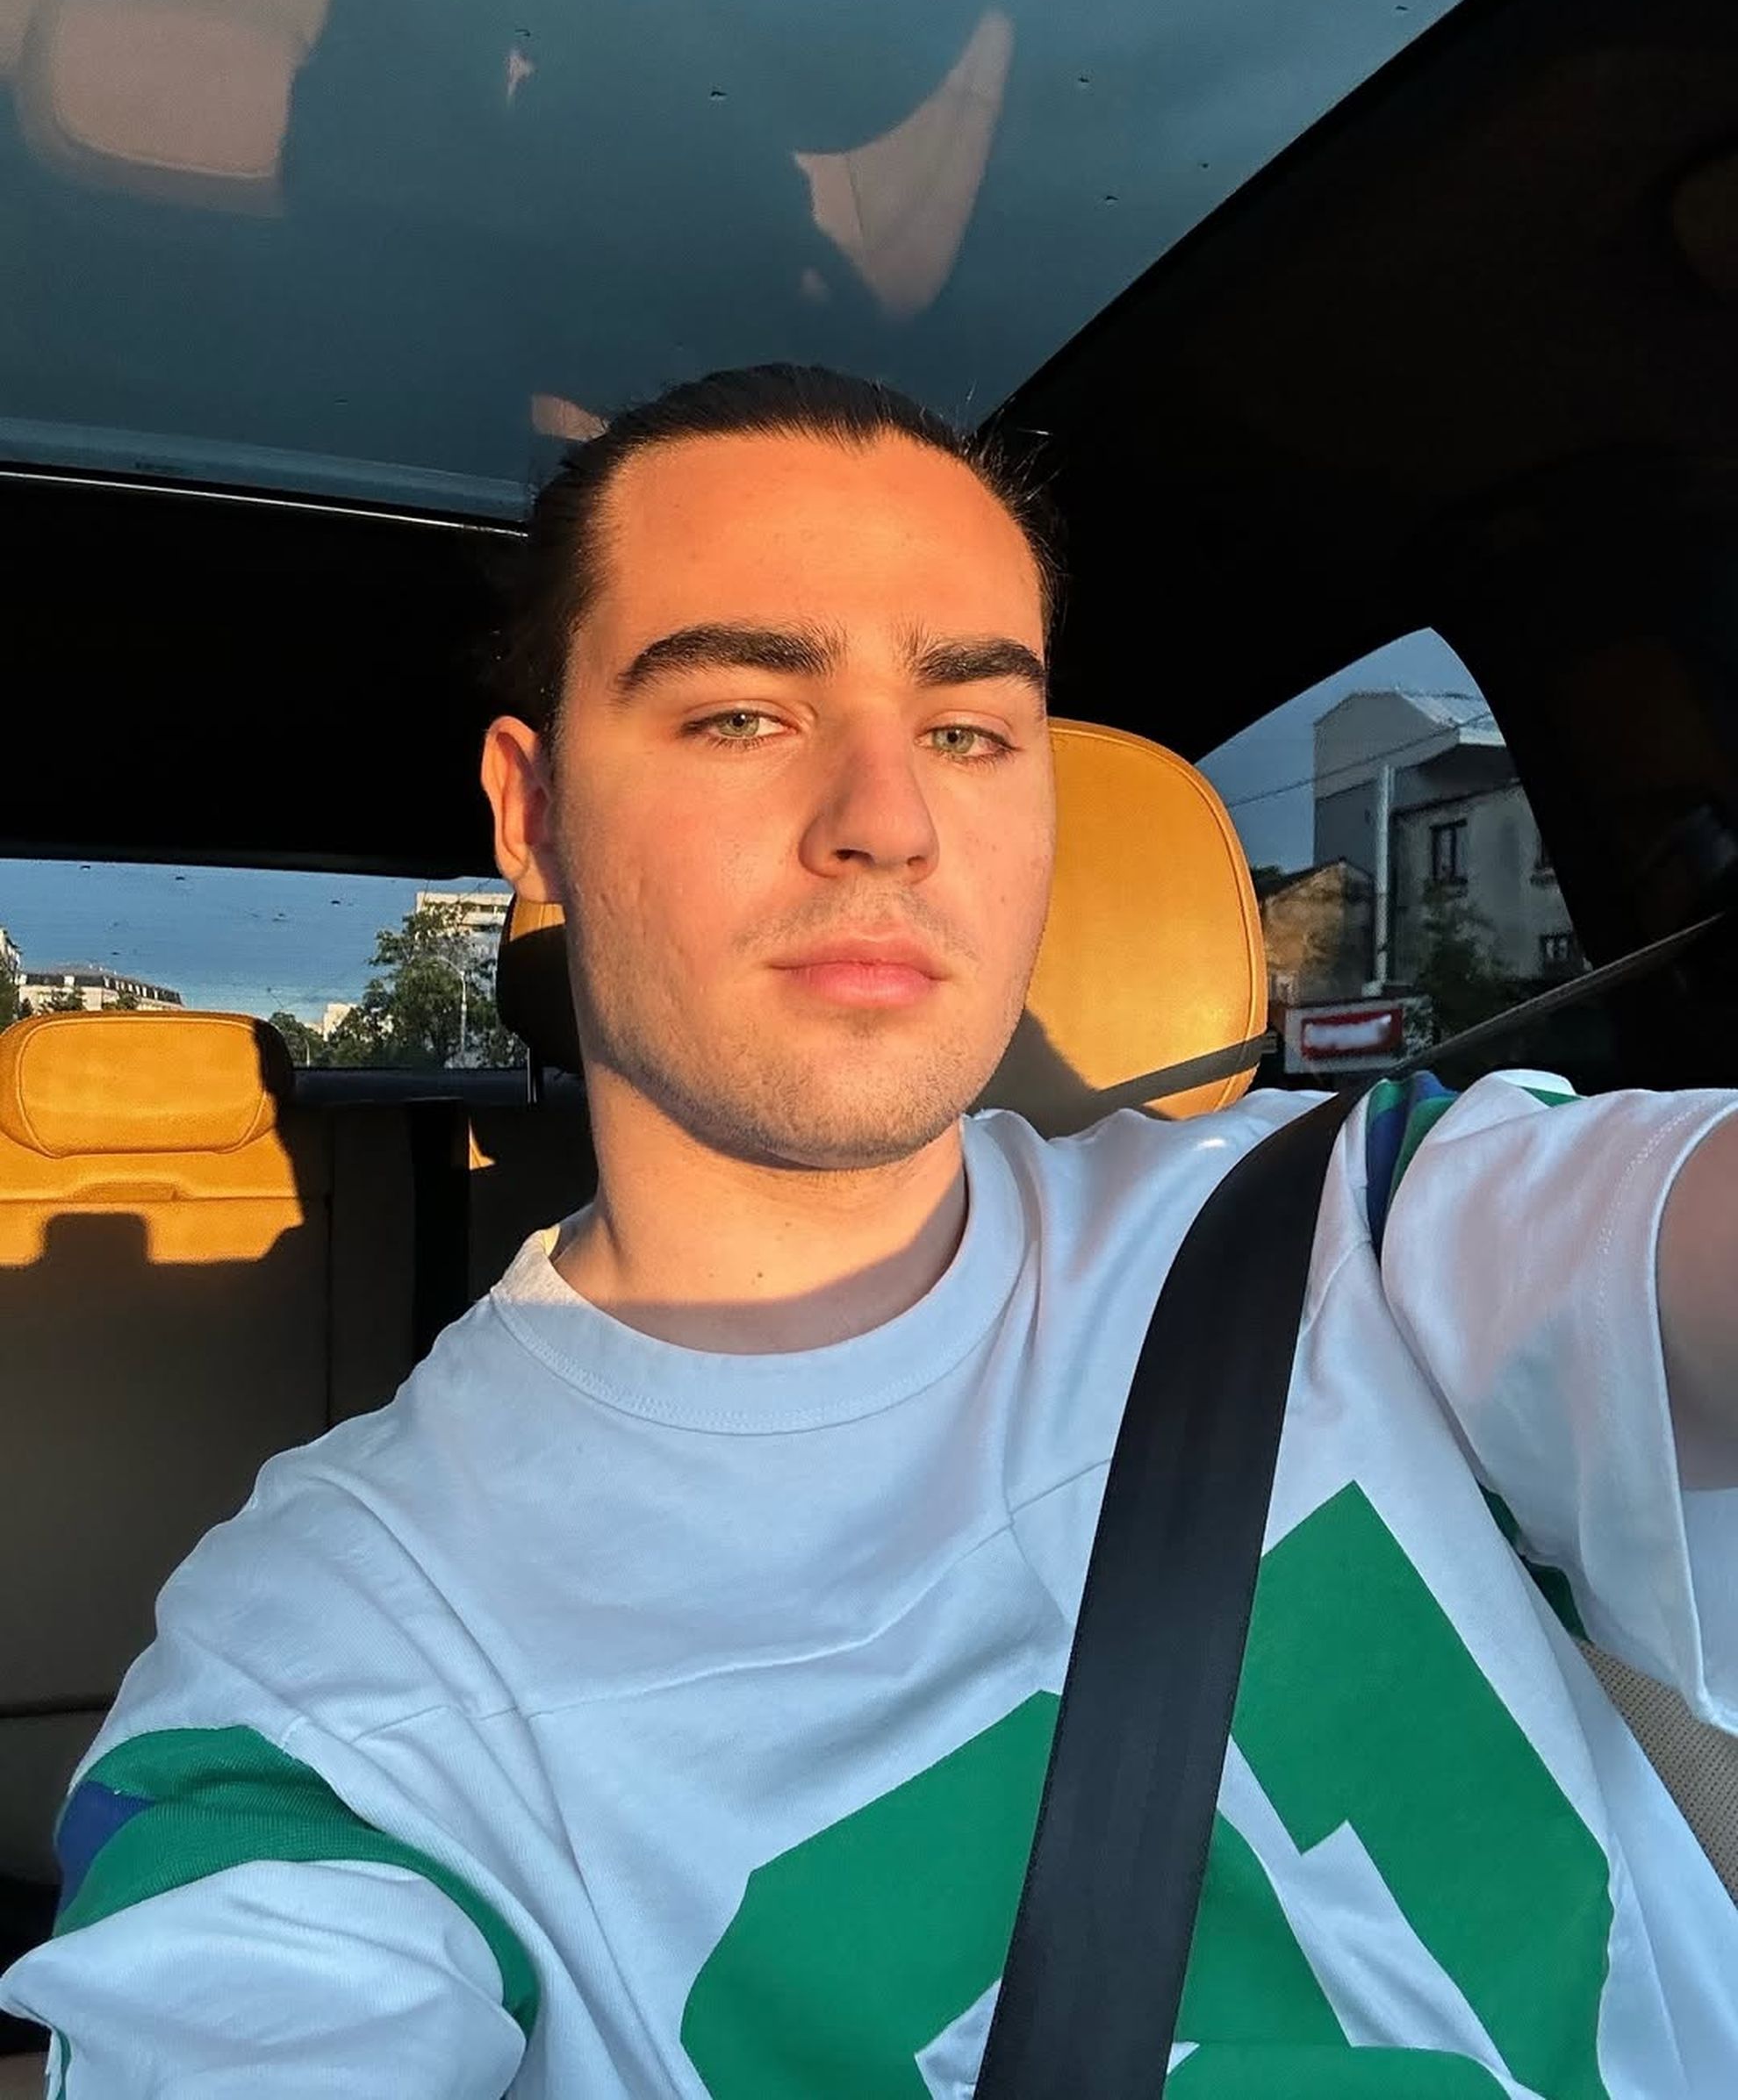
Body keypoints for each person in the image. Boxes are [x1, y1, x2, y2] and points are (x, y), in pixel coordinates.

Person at [4, 365, 1734, 2097]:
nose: (888, 822)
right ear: (532, 812)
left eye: (970, 731)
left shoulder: (1358, 1221)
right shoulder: (336, 1663)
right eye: (742, 714)